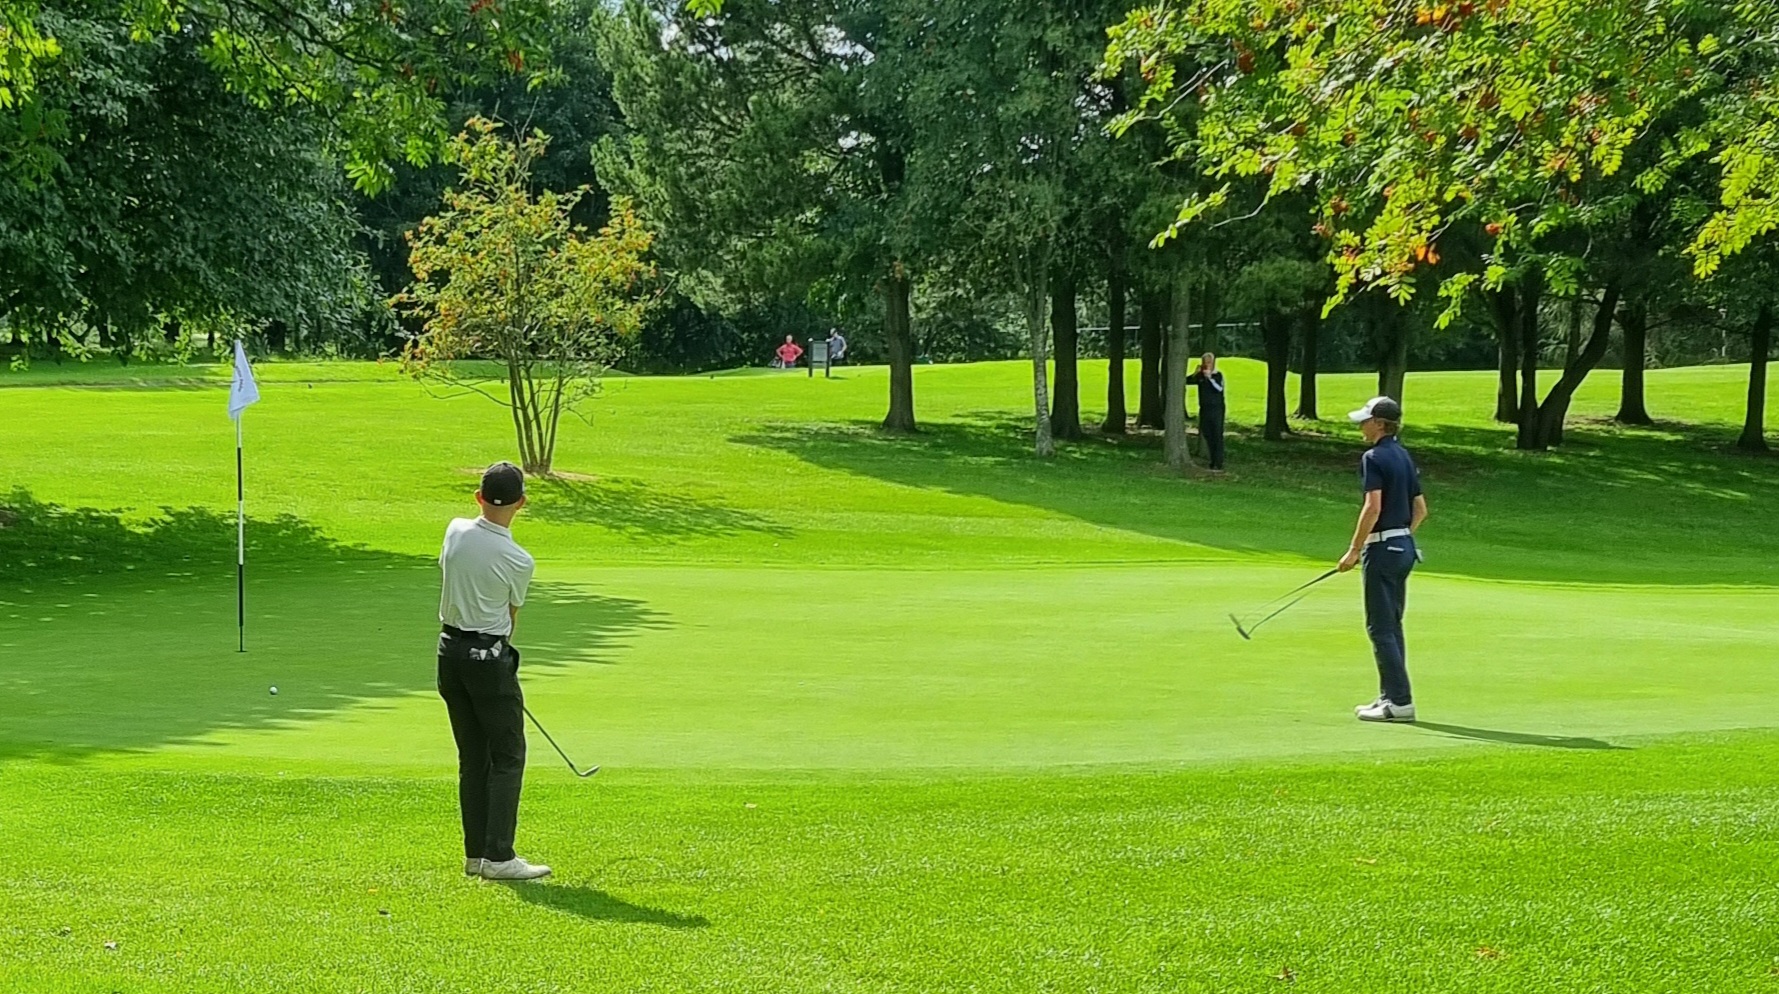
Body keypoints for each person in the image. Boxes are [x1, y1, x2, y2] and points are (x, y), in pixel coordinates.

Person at [437, 461, 550, 880]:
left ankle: (476, 856)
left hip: (448, 653)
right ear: (522, 502)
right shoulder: (519, 559)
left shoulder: (454, 530)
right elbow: (510, 614)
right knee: (507, 756)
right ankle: (499, 857)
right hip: (488, 657)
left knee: (473, 757)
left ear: (478, 497)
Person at [1336, 397, 1429, 723]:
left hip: (1382, 549)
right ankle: (1390, 697)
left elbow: (1373, 508)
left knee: (1380, 628)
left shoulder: (1373, 457)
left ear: (1379, 423)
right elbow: (1421, 510)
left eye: (1365, 421)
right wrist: (1401, 535)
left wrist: (1354, 549)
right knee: (1392, 626)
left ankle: (1400, 703)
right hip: (1404, 547)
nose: (1360, 426)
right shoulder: (1404, 456)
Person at [1185, 352, 1227, 472]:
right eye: (1205, 362)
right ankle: (1212, 459)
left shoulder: (1218, 375)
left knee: (1217, 435)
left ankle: (1218, 462)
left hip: (1217, 408)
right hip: (1204, 408)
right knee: (1207, 433)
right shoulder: (1200, 377)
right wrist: (1196, 373)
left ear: (1213, 363)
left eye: (1209, 362)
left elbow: (1219, 389)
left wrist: (1210, 378)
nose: (1207, 364)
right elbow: (1187, 381)